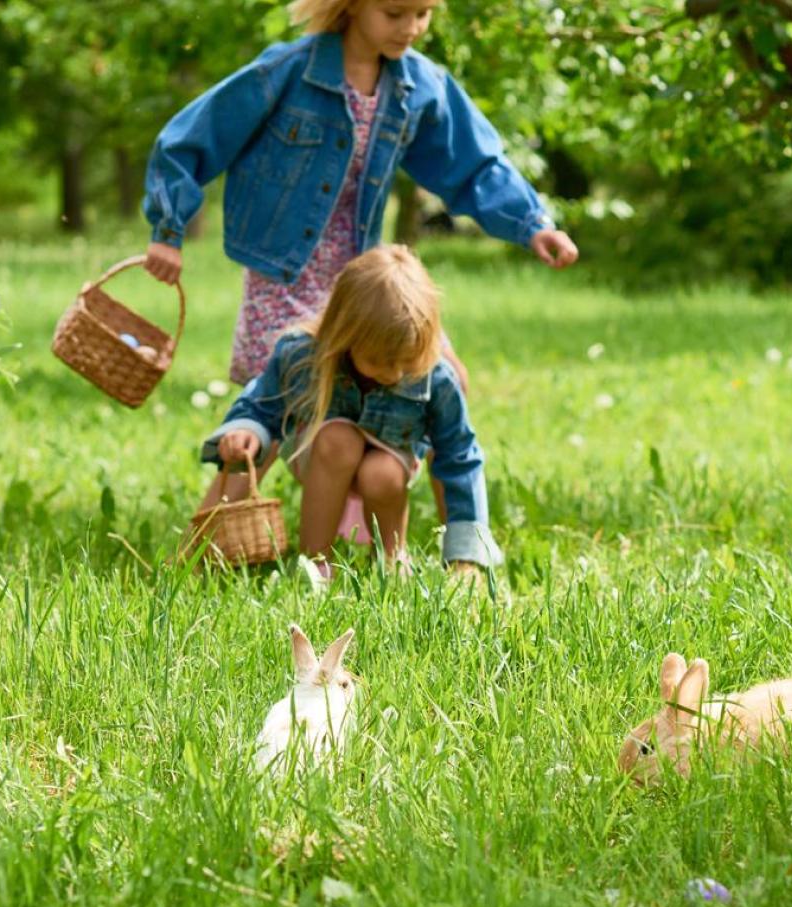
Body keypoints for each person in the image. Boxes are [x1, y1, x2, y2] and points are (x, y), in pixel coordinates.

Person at [142, 0, 577, 537]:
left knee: (446, 376)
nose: (410, 29)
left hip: (358, 280)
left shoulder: (418, 85)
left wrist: (532, 223)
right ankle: (200, 548)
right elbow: (191, 137)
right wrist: (168, 228)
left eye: (422, 15)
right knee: (276, 402)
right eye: (395, 13)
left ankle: (462, 544)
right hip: (284, 276)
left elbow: (475, 162)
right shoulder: (286, 72)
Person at [201, 247, 499, 583]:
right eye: (380, 361)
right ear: (345, 335)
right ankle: (315, 563)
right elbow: (262, 404)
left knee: (382, 471)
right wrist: (248, 431)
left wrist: (465, 556)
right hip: (323, 457)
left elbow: (459, 458)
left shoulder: (436, 378)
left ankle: (390, 559)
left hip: (390, 465)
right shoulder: (303, 355)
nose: (395, 374)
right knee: (337, 439)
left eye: (406, 361)